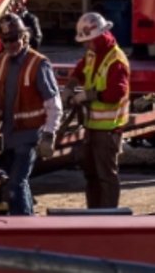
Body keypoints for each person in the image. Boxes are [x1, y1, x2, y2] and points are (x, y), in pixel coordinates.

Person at [0, 13, 62, 215]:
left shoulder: (38, 64)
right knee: (7, 179)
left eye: (14, 38)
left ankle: (24, 225)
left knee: (16, 183)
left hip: (30, 136)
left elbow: (54, 103)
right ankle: (23, 219)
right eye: (6, 40)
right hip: (10, 136)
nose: (11, 44)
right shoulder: (3, 61)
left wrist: (49, 134)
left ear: (25, 36)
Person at [65, 11, 131, 209]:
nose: (86, 45)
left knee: (106, 176)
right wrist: (70, 86)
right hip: (93, 126)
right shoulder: (94, 53)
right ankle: (93, 214)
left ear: (100, 36)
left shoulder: (116, 60)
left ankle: (108, 217)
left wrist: (87, 96)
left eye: (88, 41)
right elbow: (80, 69)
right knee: (92, 174)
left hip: (109, 128)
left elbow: (116, 93)